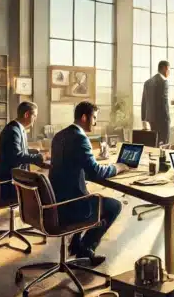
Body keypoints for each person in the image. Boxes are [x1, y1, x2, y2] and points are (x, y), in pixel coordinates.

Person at [50, 101, 128, 266]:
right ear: (84, 117)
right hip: (72, 206)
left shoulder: (59, 136)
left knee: (91, 195)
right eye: (94, 118)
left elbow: (70, 165)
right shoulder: (80, 138)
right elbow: (96, 172)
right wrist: (117, 167)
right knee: (114, 206)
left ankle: (78, 244)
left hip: (55, 202)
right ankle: (86, 247)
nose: (95, 122)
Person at [0, 102, 45, 201]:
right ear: (27, 115)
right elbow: (17, 156)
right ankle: (31, 213)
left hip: (15, 176)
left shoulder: (17, 128)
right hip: (10, 182)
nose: (35, 119)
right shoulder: (13, 131)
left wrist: (35, 152)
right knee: (44, 187)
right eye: (34, 116)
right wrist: (39, 158)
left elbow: (17, 151)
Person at [141, 60, 171, 145]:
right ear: (165, 68)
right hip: (162, 120)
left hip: (151, 119)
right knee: (164, 144)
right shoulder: (164, 81)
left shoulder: (147, 82)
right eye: (169, 70)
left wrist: (143, 118)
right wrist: (168, 119)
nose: (169, 72)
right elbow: (164, 102)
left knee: (154, 143)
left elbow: (144, 102)